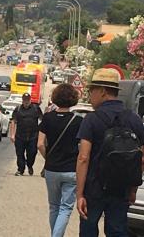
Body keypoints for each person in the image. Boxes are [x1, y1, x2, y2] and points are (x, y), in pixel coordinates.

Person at [76, 68, 144, 236]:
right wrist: (133, 190)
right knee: (117, 231)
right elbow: (141, 158)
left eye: (92, 90)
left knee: (88, 231)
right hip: (121, 189)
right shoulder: (134, 119)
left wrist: (79, 194)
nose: (90, 95)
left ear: (103, 92)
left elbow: (83, 158)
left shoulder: (91, 119)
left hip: (94, 188)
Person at [38, 84, 83, 237]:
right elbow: (82, 147)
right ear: (73, 99)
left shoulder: (48, 118)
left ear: (55, 97)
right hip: (71, 170)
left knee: (54, 206)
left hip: (52, 169)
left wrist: (48, 158)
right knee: (65, 208)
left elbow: (40, 144)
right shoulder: (78, 121)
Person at [10, 92, 43, 176]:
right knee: (20, 154)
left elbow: (42, 120)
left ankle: (29, 165)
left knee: (32, 153)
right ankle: (20, 170)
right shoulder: (18, 109)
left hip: (33, 136)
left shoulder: (36, 108)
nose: (26, 102)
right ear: (22, 100)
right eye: (25, 100)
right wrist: (12, 135)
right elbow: (13, 121)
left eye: (27, 100)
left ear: (30, 100)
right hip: (20, 136)